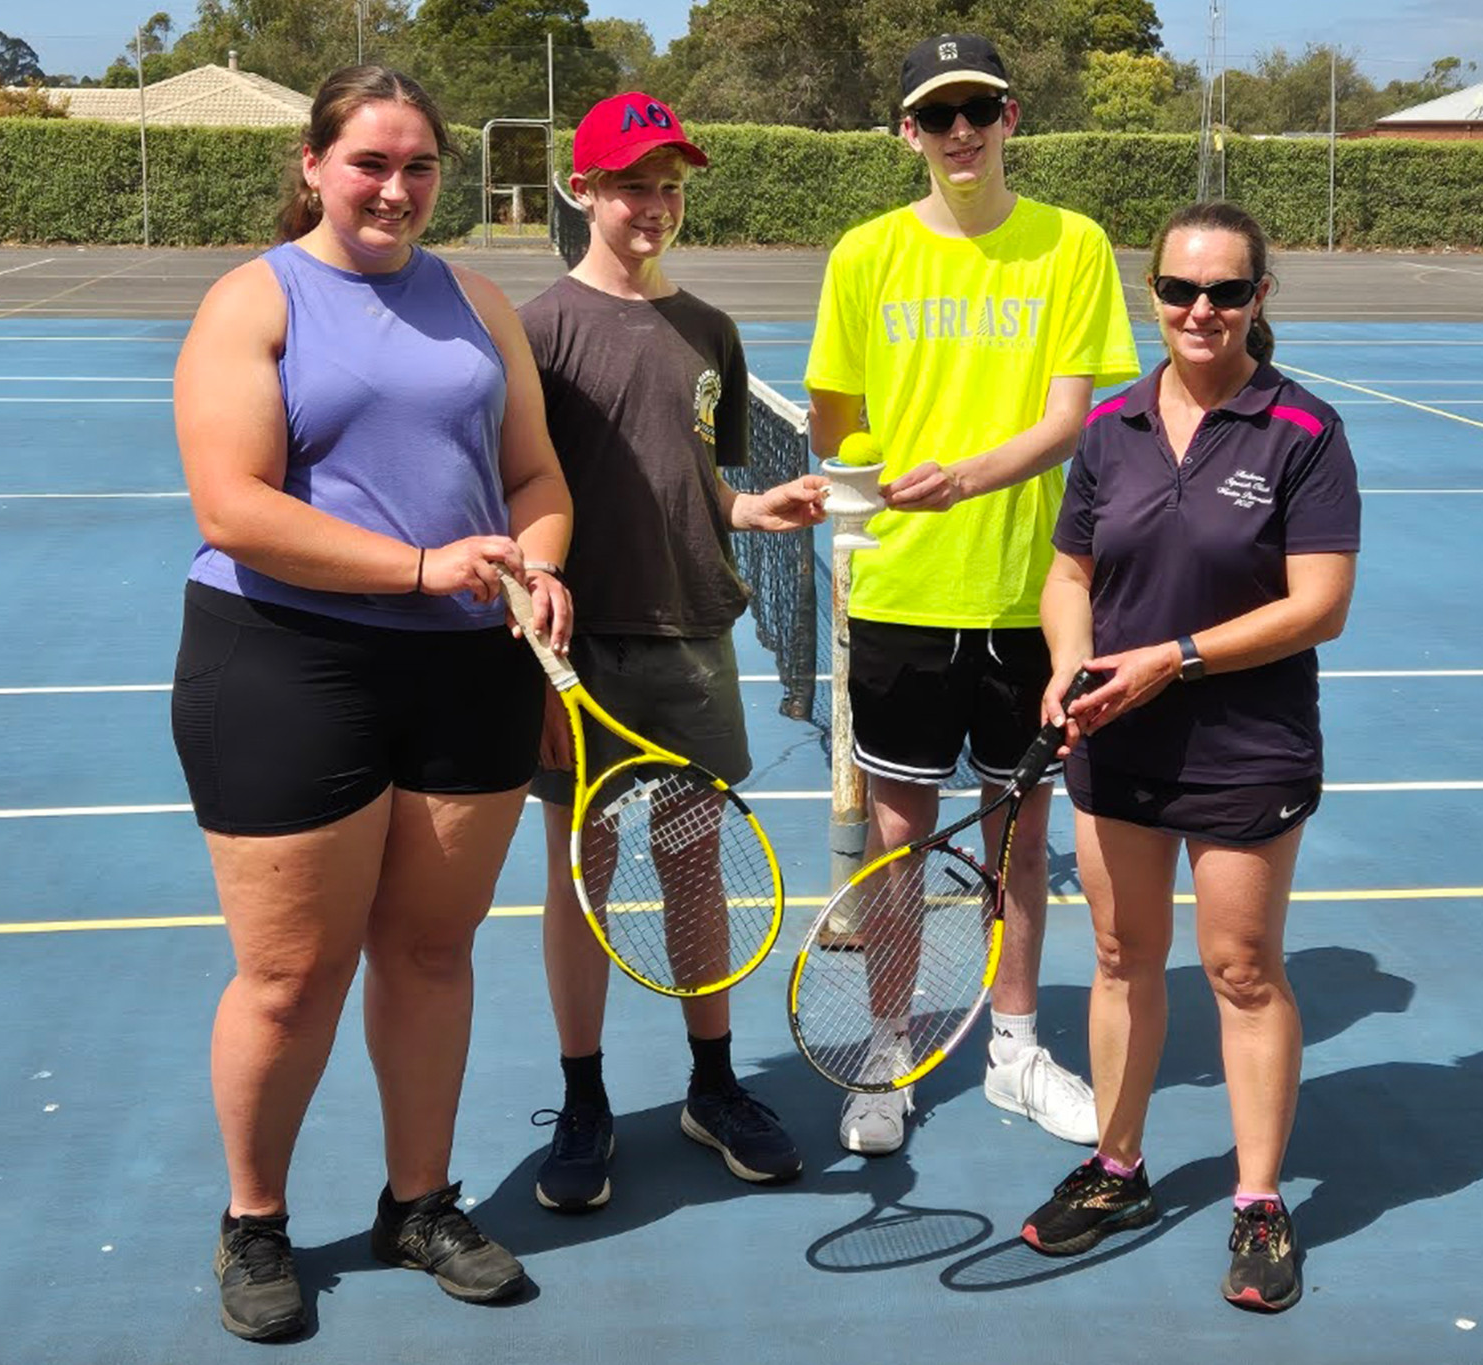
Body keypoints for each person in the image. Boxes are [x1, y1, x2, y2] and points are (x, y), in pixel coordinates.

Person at [170, 66, 573, 1341]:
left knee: (429, 951)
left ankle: (419, 1203)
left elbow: (533, 472)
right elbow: (233, 507)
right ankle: (255, 1223)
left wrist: (542, 562)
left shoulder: (477, 302)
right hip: (290, 661)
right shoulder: (254, 301)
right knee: (292, 978)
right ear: (313, 165)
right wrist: (417, 568)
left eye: (418, 167)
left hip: (467, 668)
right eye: (369, 164)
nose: (394, 189)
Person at [1019, 201, 1361, 1316]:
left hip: (1245, 743)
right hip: (1115, 731)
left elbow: (1318, 606)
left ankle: (1257, 1200)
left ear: (1261, 296)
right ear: (1151, 295)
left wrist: (1171, 658)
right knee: (1120, 956)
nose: (1199, 311)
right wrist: (1071, 663)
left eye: (1224, 291)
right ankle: (1116, 1169)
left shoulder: (1301, 432)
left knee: (1241, 971)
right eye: (1177, 290)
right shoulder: (1109, 426)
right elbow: (1069, 572)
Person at [804, 33, 1141, 1156]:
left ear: (1006, 119)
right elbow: (832, 414)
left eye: (977, 110)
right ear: (906, 130)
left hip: (1028, 595)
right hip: (901, 591)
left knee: (1013, 835)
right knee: (900, 842)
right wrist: (866, 489)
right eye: (935, 114)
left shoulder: (1071, 246)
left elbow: (1070, 419)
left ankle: (1012, 1052)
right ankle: (886, 1055)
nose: (959, 132)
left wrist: (964, 478)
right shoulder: (863, 255)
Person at [520, 92, 828, 1212]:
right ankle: (586, 1097)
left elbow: (700, 485)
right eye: (632, 184)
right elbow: (519, 494)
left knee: (695, 860)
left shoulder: (712, 332)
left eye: (669, 185)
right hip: (580, 651)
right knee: (586, 876)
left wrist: (759, 512)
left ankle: (711, 1084)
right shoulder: (538, 330)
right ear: (584, 189)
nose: (653, 205)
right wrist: (531, 652)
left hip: (695, 641)